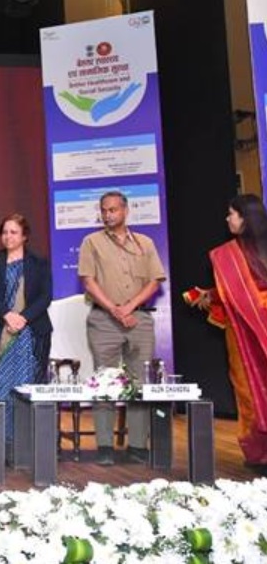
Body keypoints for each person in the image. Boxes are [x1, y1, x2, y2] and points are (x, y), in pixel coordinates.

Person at [78, 190, 166, 466]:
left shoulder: (145, 243)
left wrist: (129, 308)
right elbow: (88, 280)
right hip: (104, 320)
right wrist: (115, 309)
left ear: (125, 211)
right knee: (104, 380)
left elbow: (155, 281)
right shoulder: (91, 242)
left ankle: (137, 445)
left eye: (113, 209)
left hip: (138, 319)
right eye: (104, 210)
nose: (108, 215)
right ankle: (104, 445)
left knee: (139, 383)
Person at [187, 194, 267, 471]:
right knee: (248, 390)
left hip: (251, 331)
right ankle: (259, 451)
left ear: (244, 218)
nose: (227, 219)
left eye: (231, 214)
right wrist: (210, 294)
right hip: (244, 329)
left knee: (250, 389)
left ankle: (260, 454)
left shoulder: (234, 253)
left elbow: (246, 293)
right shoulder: (229, 254)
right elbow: (235, 292)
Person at [0, 213, 53, 446]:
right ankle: (2, 443)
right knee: (2, 383)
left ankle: (27, 442)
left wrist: (23, 318)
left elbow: (45, 296)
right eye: (4, 232)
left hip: (30, 331)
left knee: (26, 384)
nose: (8, 237)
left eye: (13, 232)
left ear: (24, 236)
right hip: (0, 328)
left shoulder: (38, 262)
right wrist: (7, 315)